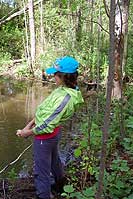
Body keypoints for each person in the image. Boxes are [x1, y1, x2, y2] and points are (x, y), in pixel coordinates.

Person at [16, 56, 84, 199]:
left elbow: (47, 123)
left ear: (64, 76)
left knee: (41, 171)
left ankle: (44, 195)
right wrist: (28, 125)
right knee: (54, 161)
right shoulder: (63, 89)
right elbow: (46, 113)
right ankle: (61, 186)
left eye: (56, 74)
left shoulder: (66, 98)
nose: (53, 76)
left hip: (44, 138)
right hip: (51, 135)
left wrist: (27, 133)